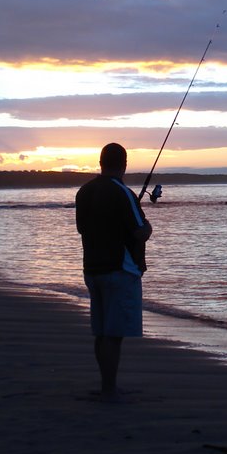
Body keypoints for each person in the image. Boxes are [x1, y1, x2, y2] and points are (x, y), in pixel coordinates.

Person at [75, 143, 152, 400]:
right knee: (114, 334)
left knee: (101, 331)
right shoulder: (123, 193)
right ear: (124, 164)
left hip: (92, 269)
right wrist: (148, 225)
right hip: (119, 270)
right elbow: (140, 232)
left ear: (100, 162)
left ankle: (106, 385)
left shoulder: (83, 192)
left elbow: (83, 229)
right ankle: (109, 389)